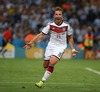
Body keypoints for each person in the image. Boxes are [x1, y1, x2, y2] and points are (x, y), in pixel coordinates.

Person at [24, 7, 79, 88]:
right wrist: (31, 43)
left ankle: (41, 82)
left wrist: (73, 49)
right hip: (50, 46)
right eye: (56, 14)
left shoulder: (67, 26)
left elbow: (70, 38)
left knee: (52, 62)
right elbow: (41, 35)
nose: (58, 16)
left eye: (59, 14)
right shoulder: (50, 25)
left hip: (61, 47)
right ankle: (48, 68)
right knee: (45, 65)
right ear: (54, 15)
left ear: (62, 16)